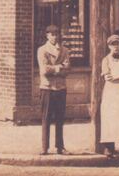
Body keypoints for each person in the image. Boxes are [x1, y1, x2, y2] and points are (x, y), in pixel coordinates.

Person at [37, 24, 70, 155]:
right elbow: (44, 70)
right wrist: (59, 67)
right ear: (47, 35)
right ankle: (44, 147)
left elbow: (67, 71)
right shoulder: (42, 50)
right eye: (52, 34)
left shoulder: (65, 50)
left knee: (60, 118)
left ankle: (60, 146)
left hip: (61, 88)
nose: (55, 37)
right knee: (46, 118)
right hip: (47, 88)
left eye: (56, 34)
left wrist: (56, 69)